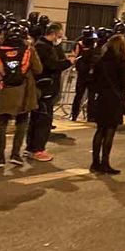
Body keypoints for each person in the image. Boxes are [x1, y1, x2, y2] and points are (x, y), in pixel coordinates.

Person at [0, 26, 42, 168]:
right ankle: (15, 155)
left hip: (3, 90)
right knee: (22, 122)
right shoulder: (29, 51)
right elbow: (38, 69)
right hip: (24, 92)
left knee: (1, 124)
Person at [27, 22, 72, 162]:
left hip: (46, 87)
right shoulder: (43, 47)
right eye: (59, 34)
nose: (60, 37)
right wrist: (68, 63)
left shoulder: (47, 46)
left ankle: (32, 147)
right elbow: (52, 65)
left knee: (37, 119)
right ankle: (38, 149)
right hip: (44, 87)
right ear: (53, 33)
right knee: (43, 120)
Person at [90, 35, 125, 175]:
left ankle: (95, 162)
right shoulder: (120, 62)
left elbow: (94, 80)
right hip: (114, 99)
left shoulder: (100, 61)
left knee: (100, 130)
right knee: (110, 130)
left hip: (102, 97)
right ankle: (105, 162)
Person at [71, 26, 97, 121]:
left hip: (81, 73)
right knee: (91, 95)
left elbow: (75, 55)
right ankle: (91, 116)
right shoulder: (94, 43)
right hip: (91, 73)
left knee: (79, 95)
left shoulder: (79, 43)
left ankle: (74, 115)